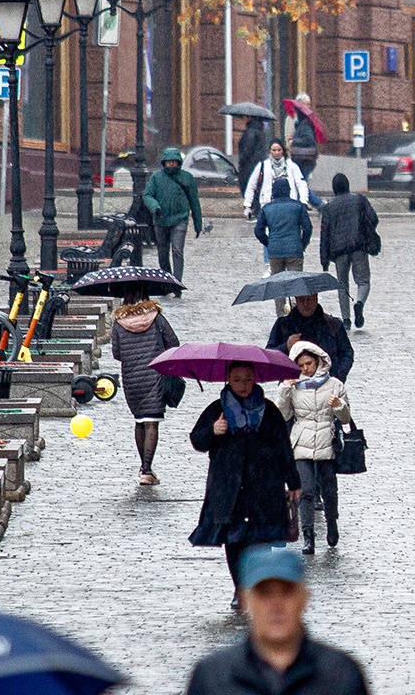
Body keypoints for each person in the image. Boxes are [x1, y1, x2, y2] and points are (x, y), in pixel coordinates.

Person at [189, 362, 301, 609]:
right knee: (235, 540)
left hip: (264, 486)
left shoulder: (269, 411)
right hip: (229, 487)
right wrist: (214, 431)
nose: (243, 385)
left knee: (261, 540)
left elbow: (283, 447)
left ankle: (256, 587)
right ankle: (240, 588)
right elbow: (197, 440)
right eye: (238, 380)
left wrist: (293, 481)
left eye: (248, 380)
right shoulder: (217, 410)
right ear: (229, 379)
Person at [184, 546, 370, 694]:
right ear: (246, 600)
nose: (276, 605)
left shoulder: (341, 675)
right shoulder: (212, 677)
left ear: (303, 598)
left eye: (286, 593)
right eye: (264, 594)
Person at [275, 341, 349, 554]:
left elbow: (345, 417)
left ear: (318, 361)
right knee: (304, 491)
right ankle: (308, 536)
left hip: (327, 442)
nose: (305, 368)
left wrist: (339, 406)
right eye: (301, 365)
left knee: (329, 490)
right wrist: (285, 390)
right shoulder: (293, 385)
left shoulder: (334, 385)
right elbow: (283, 415)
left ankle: (332, 522)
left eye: (309, 363)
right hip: (302, 443)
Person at [110, 288, 179, 486]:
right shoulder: (156, 318)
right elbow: (173, 343)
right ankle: (147, 470)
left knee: (140, 420)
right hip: (154, 375)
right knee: (152, 422)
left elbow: (116, 353)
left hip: (132, 377)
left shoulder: (119, 323)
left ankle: (144, 468)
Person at [319, 173, 378, 330]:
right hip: (358, 246)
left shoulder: (329, 207)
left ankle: (346, 320)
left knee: (342, 284)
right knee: (363, 281)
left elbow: (324, 234)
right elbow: (373, 218)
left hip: (339, 252)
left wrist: (324, 259)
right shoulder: (359, 200)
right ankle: (359, 303)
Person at [143, 147, 203, 289]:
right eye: (168, 162)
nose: (171, 165)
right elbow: (147, 195)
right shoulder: (156, 177)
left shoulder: (186, 178)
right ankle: (166, 279)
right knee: (163, 252)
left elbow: (194, 202)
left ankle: (177, 282)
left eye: (174, 162)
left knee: (177, 250)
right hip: (160, 219)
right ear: (164, 162)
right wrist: (155, 207)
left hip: (179, 219)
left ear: (178, 162)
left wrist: (198, 223)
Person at [255, 178, 313, 316]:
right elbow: (308, 228)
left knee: (278, 286)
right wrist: (302, 243)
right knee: (295, 284)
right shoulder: (298, 207)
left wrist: (269, 243)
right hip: (294, 250)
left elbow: (258, 231)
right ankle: (297, 312)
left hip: (275, 251)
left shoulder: (267, 208)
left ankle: (281, 315)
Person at [267, 293, 354, 383]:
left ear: (316, 297)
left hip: (328, 386)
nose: (306, 304)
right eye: (301, 300)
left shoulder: (332, 324)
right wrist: (286, 346)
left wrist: (338, 376)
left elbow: (346, 353)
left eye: (309, 299)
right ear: (296, 300)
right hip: (293, 388)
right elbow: (269, 356)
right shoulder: (283, 325)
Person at [244, 139, 311, 219]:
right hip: (267, 204)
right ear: (270, 151)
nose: (277, 152)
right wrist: (247, 204)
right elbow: (252, 184)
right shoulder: (263, 165)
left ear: (283, 150)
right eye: (274, 150)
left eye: (279, 150)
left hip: (289, 205)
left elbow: (301, 184)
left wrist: (303, 201)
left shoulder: (292, 166)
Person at [237, 116, 266, 202]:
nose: (242, 118)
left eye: (244, 117)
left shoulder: (250, 131)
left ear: (249, 117)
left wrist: (241, 161)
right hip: (257, 164)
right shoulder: (259, 130)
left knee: (248, 189)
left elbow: (247, 150)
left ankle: (252, 211)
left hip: (249, 166)